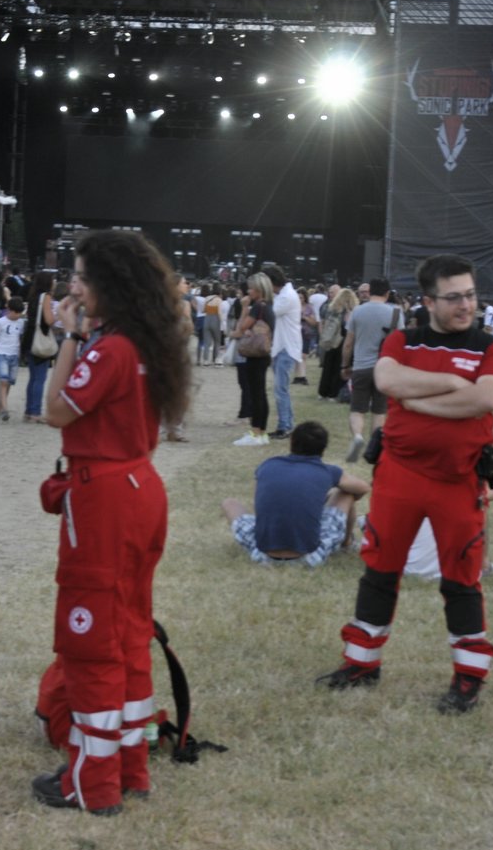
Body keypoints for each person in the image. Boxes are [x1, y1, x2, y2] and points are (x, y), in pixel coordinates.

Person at [31, 229, 191, 816]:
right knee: (127, 633)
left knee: (90, 642)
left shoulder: (110, 349)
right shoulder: (145, 344)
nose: (73, 285)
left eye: (80, 276)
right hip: (140, 488)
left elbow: (54, 411)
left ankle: (89, 783)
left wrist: (70, 337)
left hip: (104, 500)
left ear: (108, 286)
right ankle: (130, 766)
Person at [317, 254, 493, 716]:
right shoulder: (404, 338)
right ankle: (362, 663)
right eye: (454, 297)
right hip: (399, 474)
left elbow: (487, 396)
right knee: (380, 568)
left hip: (459, 479)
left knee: (462, 578)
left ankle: (467, 678)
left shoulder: (489, 345)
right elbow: (386, 378)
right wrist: (449, 381)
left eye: (470, 295)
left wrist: (418, 400)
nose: (466, 305)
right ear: (428, 301)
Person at [222, 421, 370, 566]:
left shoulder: (267, 465)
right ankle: (347, 544)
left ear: (291, 442)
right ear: (323, 449)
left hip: (261, 552)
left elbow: (257, 505)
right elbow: (363, 488)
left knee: (229, 503)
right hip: (310, 556)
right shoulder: (327, 471)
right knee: (347, 493)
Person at [342, 279, 404, 463]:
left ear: (369, 292)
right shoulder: (396, 312)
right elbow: (401, 342)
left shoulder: (357, 311)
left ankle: (357, 437)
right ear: (387, 293)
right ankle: (374, 446)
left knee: (357, 409)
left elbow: (348, 343)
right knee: (379, 411)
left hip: (361, 366)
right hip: (384, 369)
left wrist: (345, 365)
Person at [228, 273, 274, 446]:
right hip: (264, 353)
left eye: (251, 287)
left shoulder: (257, 307)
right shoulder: (268, 306)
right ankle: (261, 432)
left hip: (255, 355)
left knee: (256, 393)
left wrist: (245, 308)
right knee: (261, 393)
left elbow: (241, 328)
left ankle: (255, 432)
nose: (248, 291)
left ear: (259, 289)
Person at [266, 265, 302, 438]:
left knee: (281, 389)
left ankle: (285, 426)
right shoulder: (285, 294)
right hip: (283, 346)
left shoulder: (286, 297)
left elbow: (270, 312)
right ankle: (287, 424)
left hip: (286, 347)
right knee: (281, 389)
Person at [20, 271, 59, 424]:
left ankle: (29, 410)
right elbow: (49, 320)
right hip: (40, 339)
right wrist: (58, 316)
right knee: (40, 378)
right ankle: (35, 411)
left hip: (29, 338)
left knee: (33, 377)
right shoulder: (46, 297)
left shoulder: (33, 296)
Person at [0, 296, 27, 421]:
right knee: (3, 381)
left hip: (14, 355)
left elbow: (20, 339)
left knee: (8, 382)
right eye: (16, 312)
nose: (18, 315)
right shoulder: (1, 322)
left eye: (20, 313)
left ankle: (0, 408)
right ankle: (5, 409)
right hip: (1, 354)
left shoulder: (21, 322)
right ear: (9, 310)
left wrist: (20, 355)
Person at [317, 286, 356, 400]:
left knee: (328, 367)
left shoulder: (332, 309)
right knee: (339, 368)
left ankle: (323, 392)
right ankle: (334, 393)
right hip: (344, 341)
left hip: (332, 341)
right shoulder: (352, 311)